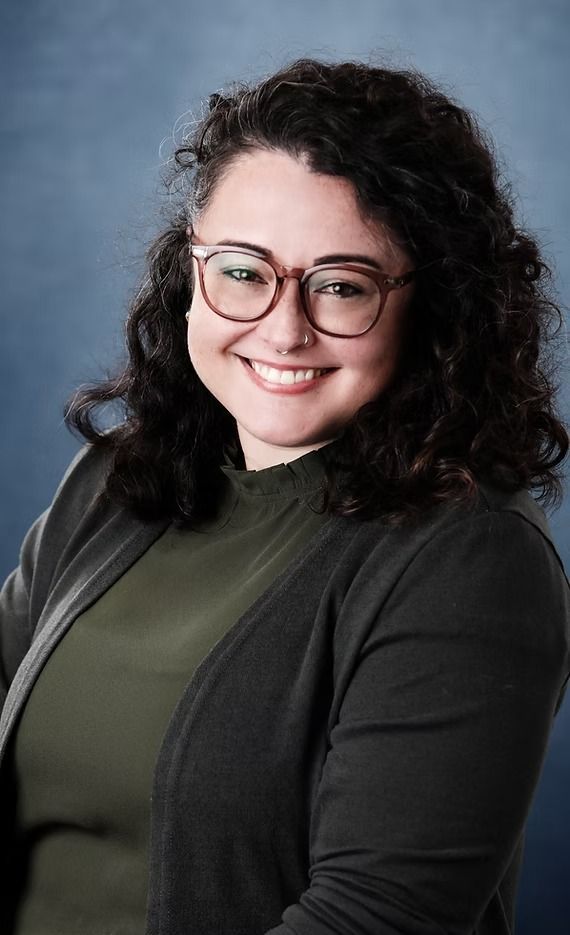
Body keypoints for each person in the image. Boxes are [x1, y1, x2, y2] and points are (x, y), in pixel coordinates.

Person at [0, 57, 569, 935]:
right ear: (191, 272)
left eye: (342, 285)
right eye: (242, 269)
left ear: (435, 306)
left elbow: (373, 919)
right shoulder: (119, 482)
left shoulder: (472, 557)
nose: (283, 325)